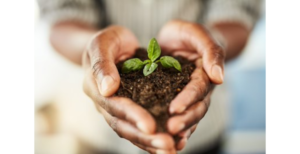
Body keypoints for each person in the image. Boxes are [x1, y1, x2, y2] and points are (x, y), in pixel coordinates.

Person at [37, 0, 261, 153]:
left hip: (200, 134)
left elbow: (237, 14)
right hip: (94, 132)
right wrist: (92, 49)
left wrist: (212, 44)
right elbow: (62, 16)